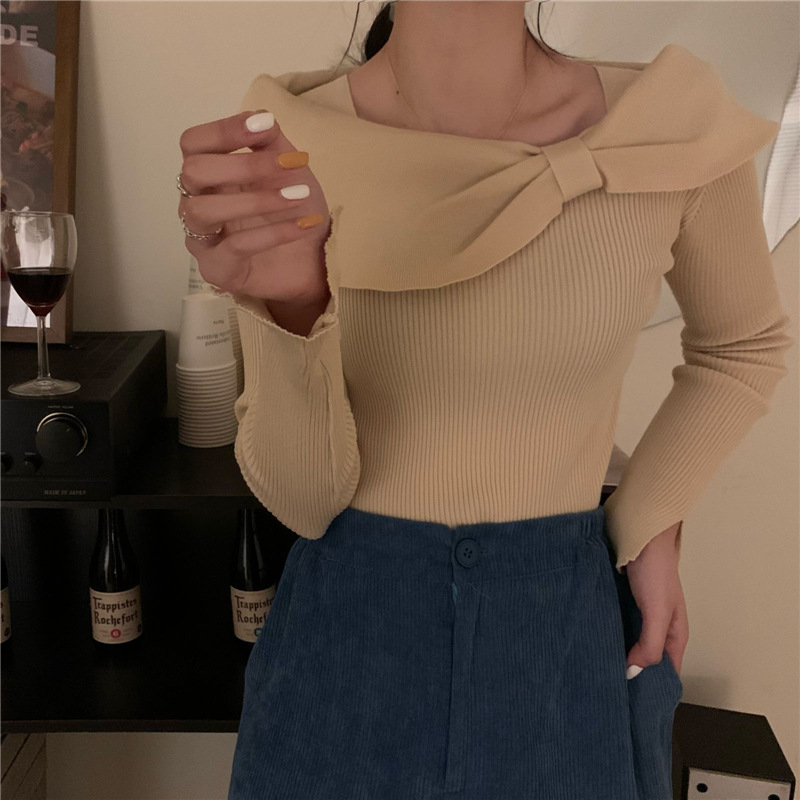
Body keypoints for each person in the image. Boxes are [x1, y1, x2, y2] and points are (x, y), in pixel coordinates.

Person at [177, 2, 792, 798]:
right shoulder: (285, 145)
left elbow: (742, 345)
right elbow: (303, 502)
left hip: (560, 640)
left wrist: (648, 519)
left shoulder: (667, 125)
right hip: (345, 646)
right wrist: (294, 309)